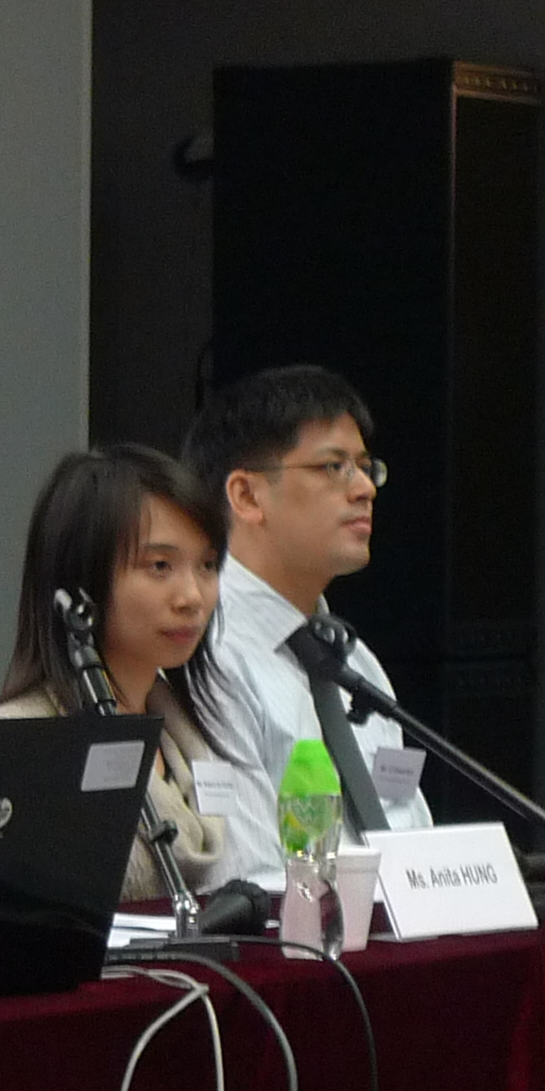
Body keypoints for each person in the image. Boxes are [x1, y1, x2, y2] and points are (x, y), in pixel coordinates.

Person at [0, 444, 264, 902]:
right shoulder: (21, 739)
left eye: (207, 565)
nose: (192, 596)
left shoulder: (196, 732)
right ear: (81, 584)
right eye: (160, 566)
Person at [184, 365, 432, 887]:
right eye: (333, 467)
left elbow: (412, 834)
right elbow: (247, 877)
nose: (364, 488)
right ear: (247, 496)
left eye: (366, 467)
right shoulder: (207, 650)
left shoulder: (356, 663)